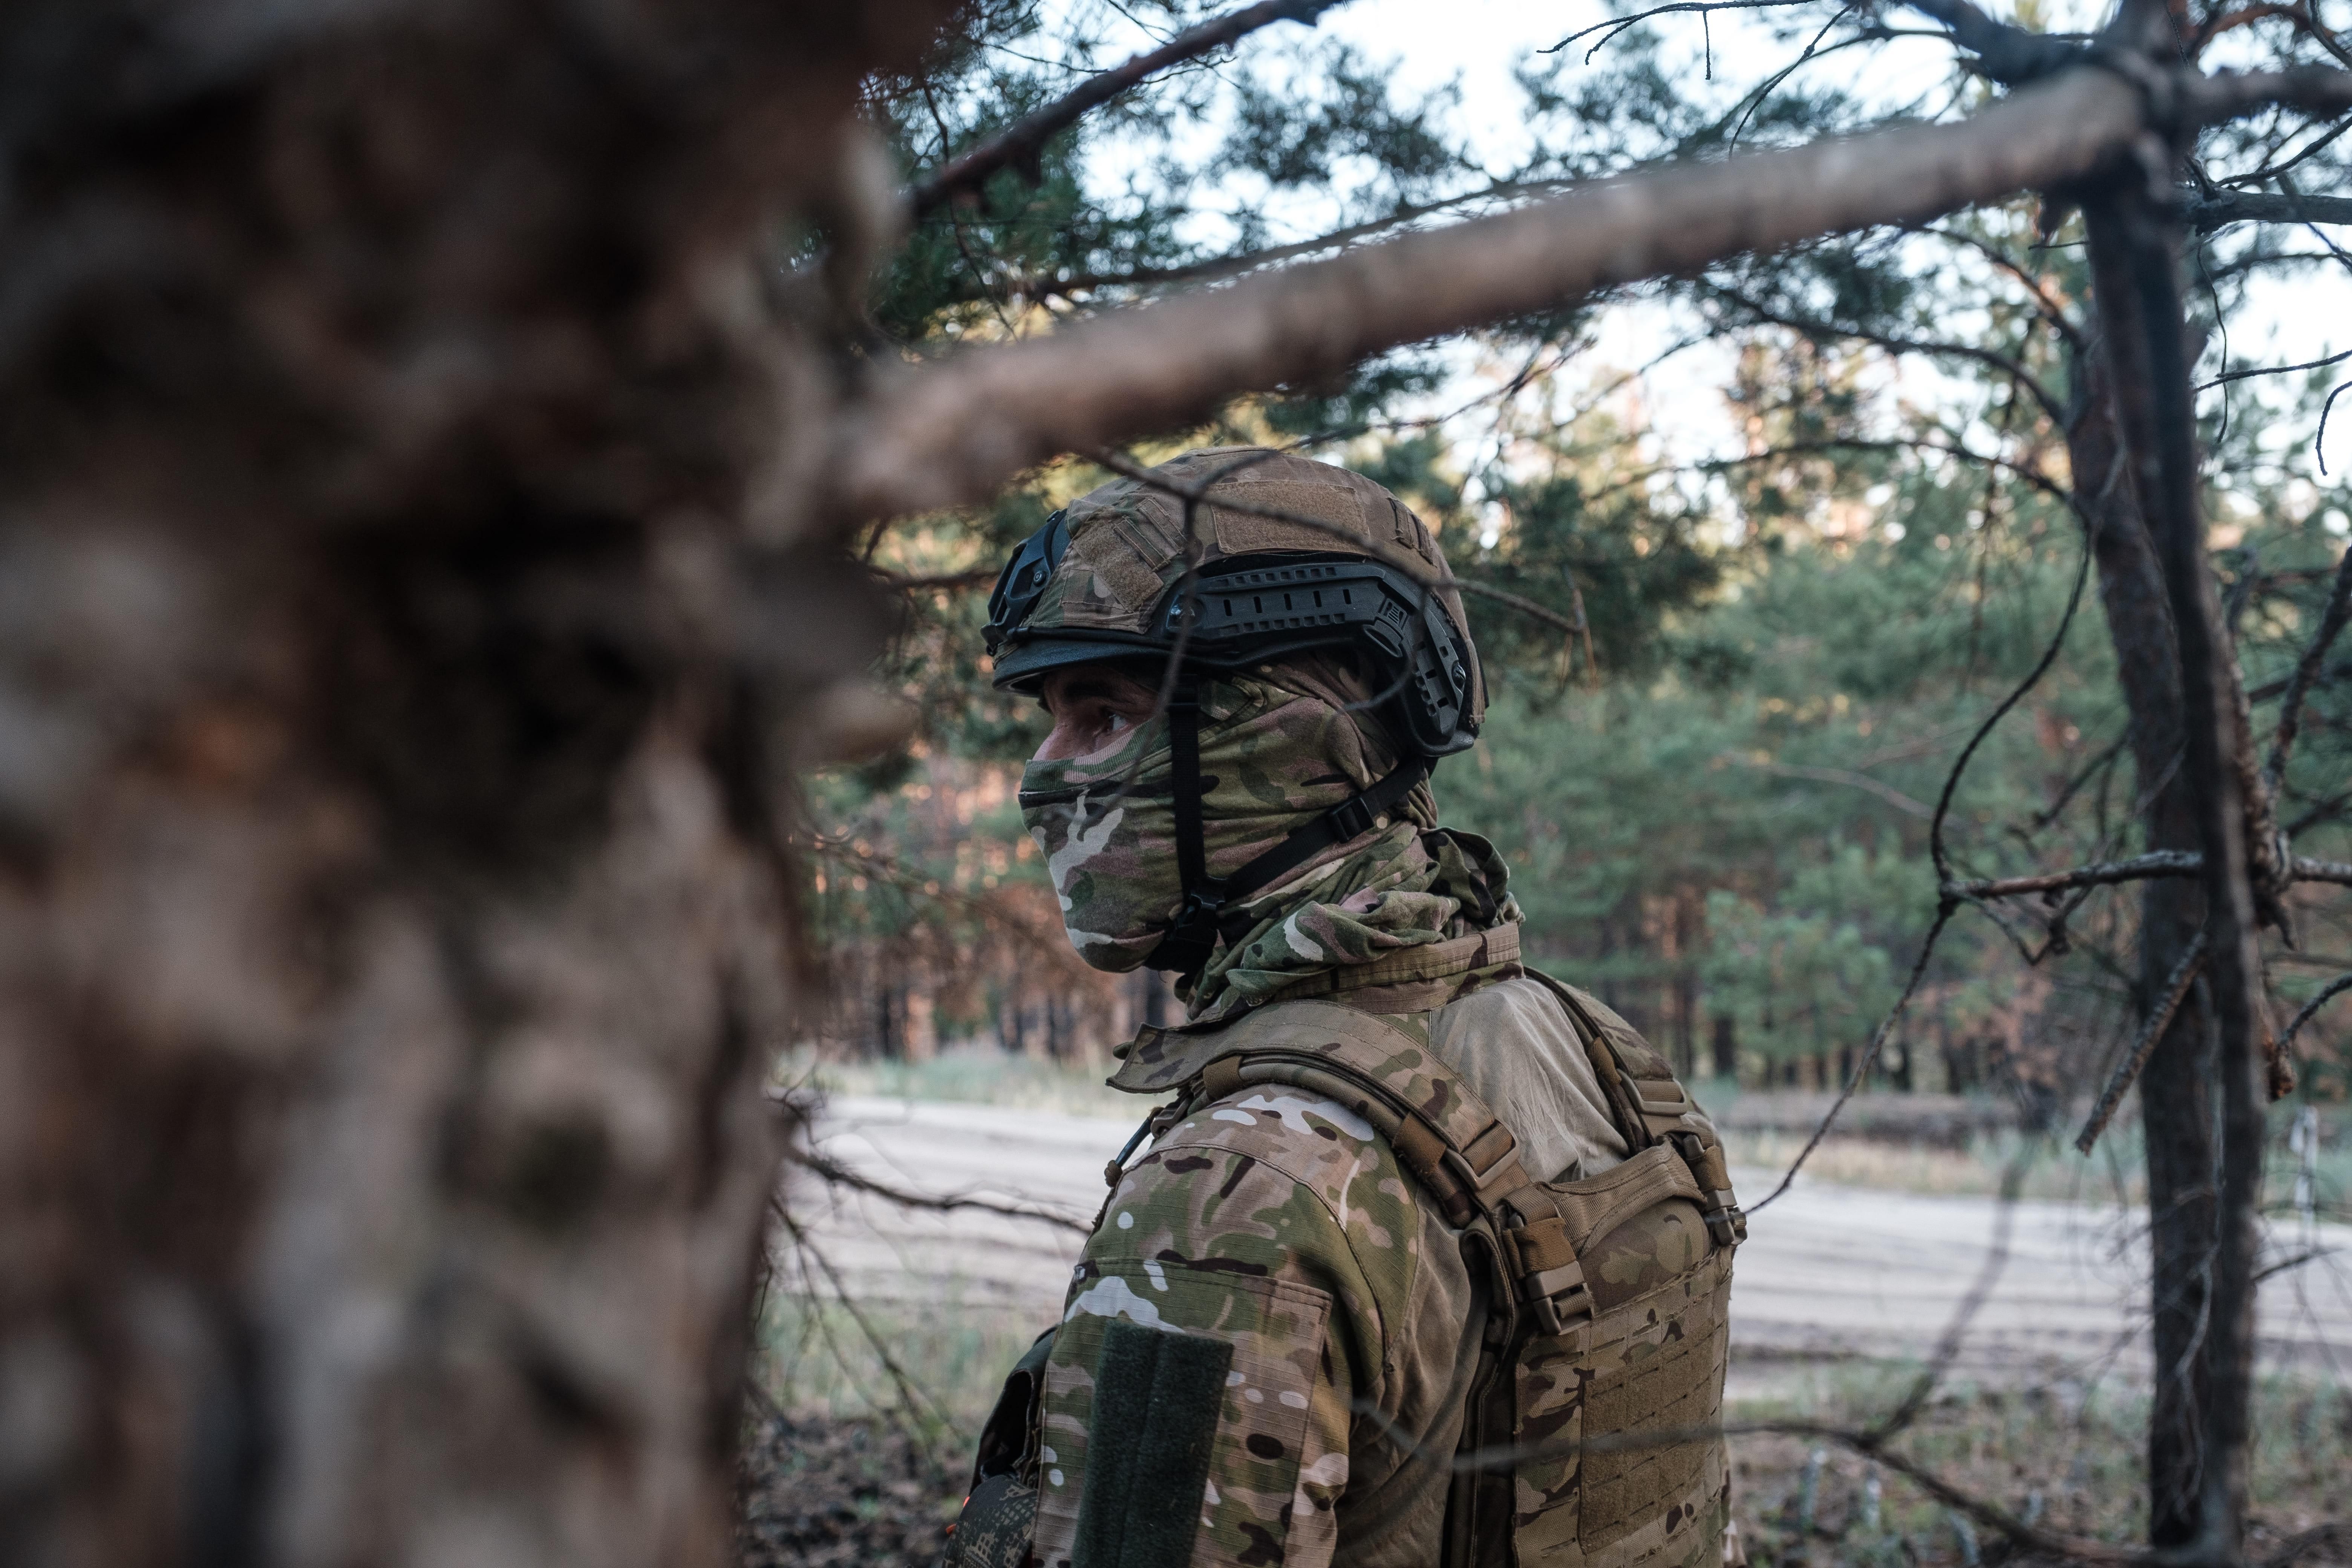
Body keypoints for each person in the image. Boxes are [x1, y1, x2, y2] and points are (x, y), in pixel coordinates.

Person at [943, 449, 1743, 1568]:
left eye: (1104, 713)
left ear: (1284, 739)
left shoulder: (1239, 1189)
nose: (1042, 773)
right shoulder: (1598, 1054)